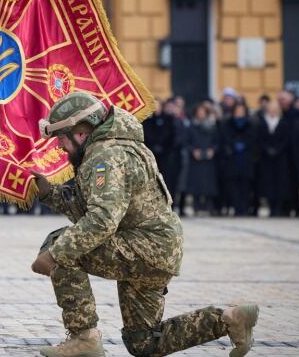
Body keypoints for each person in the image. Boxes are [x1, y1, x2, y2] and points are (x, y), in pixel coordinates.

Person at [30, 91, 258, 357]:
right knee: (144, 342)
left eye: (61, 138)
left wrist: (55, 255)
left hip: (145, 247)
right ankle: (229, 319)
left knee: (60, 244)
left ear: (81, 132)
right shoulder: (118, 146)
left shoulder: (106, 156)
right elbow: (90, 210)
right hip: (156, 249)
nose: (59, 146)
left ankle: (84, 337)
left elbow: (101, 220)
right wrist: (49, 193)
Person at [218, 103, 258, 217]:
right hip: (232, 158)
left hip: (246, 158)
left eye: (242, 110)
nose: (239, 112)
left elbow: (253, 140)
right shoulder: (227, 124)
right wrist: (234, 145)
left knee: (246, 185)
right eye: (238, 110)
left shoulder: (251, 124)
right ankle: (236, 208)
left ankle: (244, 208)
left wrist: (244, 145)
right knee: (233, 185)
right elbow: (225, 139)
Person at [255, 102, 291, 217]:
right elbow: (260, 140)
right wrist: (267, 149)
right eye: (270, 110)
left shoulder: (283, 124)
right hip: (266, 159)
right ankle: (271, 207)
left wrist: (277, 150)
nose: (272, 112)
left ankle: (278, 208)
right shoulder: (262, 124)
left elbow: (286, 140)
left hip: (280, 159)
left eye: (275, 110)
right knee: (268, 184)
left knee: (279, 184)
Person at [184, 104, 218, 215]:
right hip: (196, 160)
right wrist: (193, 151)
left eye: (203, 112)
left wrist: (212, 150)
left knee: (209, 184)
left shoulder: (212, 127)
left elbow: (216, 142)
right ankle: (197, 206)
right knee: (196, 184)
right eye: (199, 111)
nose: (201, 114)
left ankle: (209, 207)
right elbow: (187, 142)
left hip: (209, 160)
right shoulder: (191, 127)